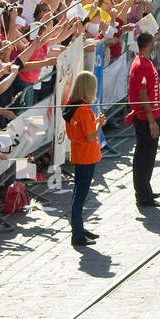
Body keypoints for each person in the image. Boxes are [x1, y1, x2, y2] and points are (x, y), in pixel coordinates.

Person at [64, 70, 101, 246]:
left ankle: (78, 228)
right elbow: (89, 135)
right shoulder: (83, 111)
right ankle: (77, 233)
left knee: (78, 194)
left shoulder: (73, 106)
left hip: (79, 154)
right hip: (86, 155)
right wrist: (99, 123)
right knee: (80, 196)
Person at [127, 32, 160, 208]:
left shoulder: (144, 62)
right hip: (146, 117)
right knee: (144, 156)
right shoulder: (141, 65)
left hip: (151, 115)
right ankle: (142, 194)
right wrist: (151, 121)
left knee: (148, 156)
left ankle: (145, 189)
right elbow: (142, 94)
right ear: (149, 43)